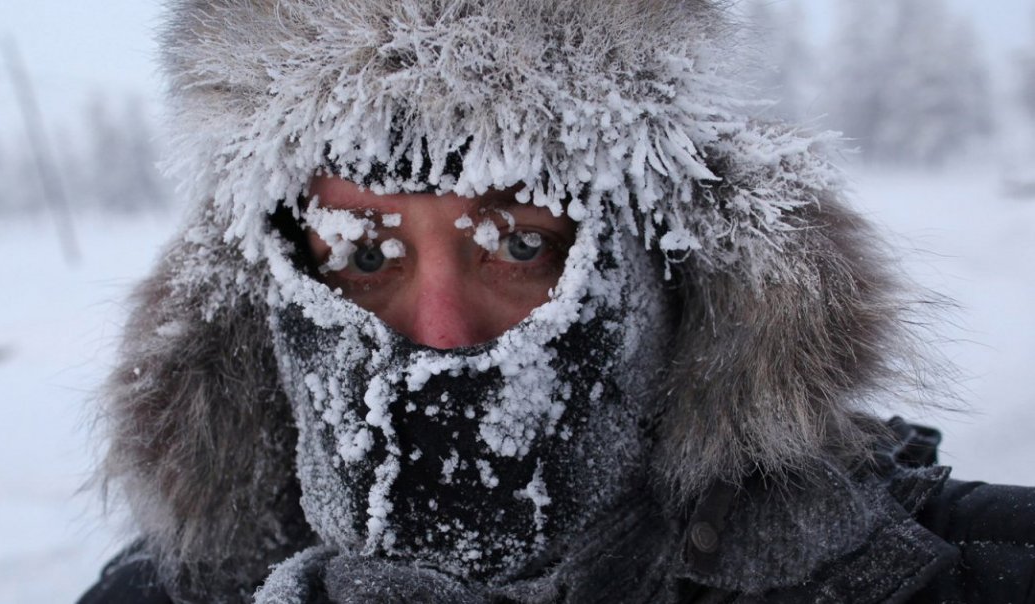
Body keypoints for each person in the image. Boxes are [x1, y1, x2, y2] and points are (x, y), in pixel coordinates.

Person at [78, 1, 1035, 603]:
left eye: (522, 244)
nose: (442, 333)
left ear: (658, 268)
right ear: (268, 295)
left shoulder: (935, 569)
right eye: (363, 253)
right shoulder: (171, 592)